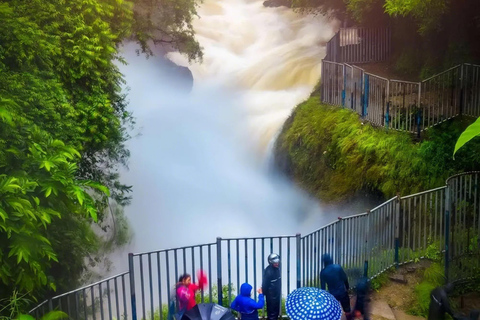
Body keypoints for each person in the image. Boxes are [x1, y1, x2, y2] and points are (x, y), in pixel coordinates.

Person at [262, 253, 281, 320]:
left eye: (278, 262)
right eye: (275, 263)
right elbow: (265, 284)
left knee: (276, 311)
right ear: (271, 262)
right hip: (271, 295)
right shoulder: (268, 271)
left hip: (276, 293)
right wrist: (263, 292)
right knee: (272, 312)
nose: (277, 264)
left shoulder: (277, 269)